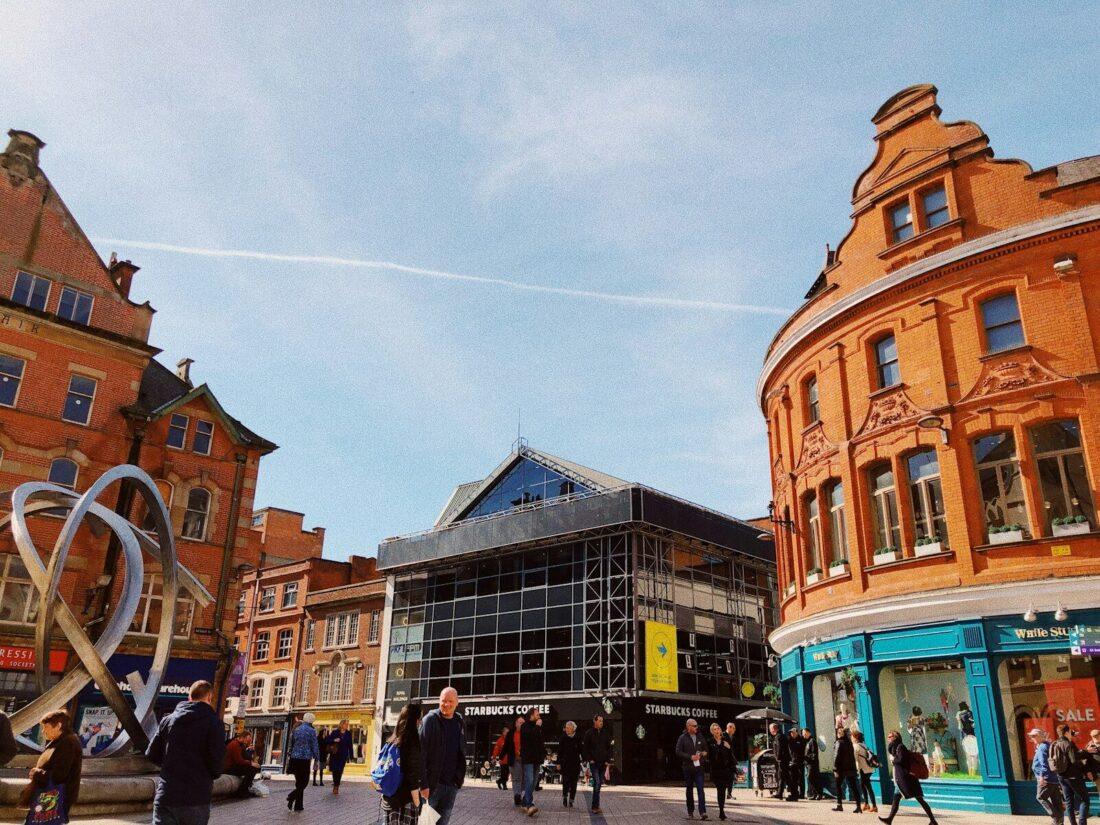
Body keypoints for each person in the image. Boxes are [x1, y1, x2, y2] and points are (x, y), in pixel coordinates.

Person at [146, 680, 225, 825]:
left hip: (167, 794)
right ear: (209, 697)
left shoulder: (167, 720)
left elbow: (151, 754)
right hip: (197, 797)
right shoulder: (214, 724)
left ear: (189, 697)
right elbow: (217, 766)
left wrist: (169, 766)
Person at [19, 710, 81, 823]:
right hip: (50, 795)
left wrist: (37, 773)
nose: (43, 731)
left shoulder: (67, 743)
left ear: (58, 726)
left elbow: (59, 775)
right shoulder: (60, 741)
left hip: (54, 796)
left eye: (46, 727)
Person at [419, 686, 466, 825]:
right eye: (443, 701)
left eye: (450, 701)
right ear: (439, 701)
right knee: (425, 824)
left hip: (451, 787)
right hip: (432, 787)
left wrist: (458, 780)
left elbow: (461, 751)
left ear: (457, 702)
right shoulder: (430, 720)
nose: (446, 704)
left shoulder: (459, 722)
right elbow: (420, 754)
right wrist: (423, 784)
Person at [878, 730, 937, 825]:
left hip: (907, 779)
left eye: (890, 737)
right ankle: (889, 819)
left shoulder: (900, 747)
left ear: (895, 737)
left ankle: (933, 820)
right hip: (901, 779)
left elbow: (902, 760)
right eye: (888, 737)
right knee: (896, 799)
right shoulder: (895, 748)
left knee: (920, 799)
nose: (888, 738)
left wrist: (894, 759)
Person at [381, 703, 423, 825]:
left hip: (389, 800)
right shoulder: (413, 742)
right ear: (414, 721)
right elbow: (412, 777)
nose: (420, 723)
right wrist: (417, 804)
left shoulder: (392, 739)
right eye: (419, 719)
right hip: (404, 802)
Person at [1050, 723, 1089, 825]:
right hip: (1073, 776)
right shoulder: (1068, 744)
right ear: (1067, 732)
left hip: (1061, 776)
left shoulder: (1055, 744)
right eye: (1070, 732)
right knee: (1085, 800)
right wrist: (1084, 764)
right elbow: (1074, 761)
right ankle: (1082, 823)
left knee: (1069, 802)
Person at [1029, 728, 1065, 825]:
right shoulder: (1047, 745)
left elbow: (1044, 764)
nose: (1032, 738)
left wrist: (1042, 777)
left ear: (1041, 736)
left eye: (1034, 736)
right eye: (1031, 736)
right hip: (1053, 778)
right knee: (1056, 800)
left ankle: (1056, 817)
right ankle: (1059, 821)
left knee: (1040, 797)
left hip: (1046, 779)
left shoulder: (1042, 747)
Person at [286, 712, 320, 812]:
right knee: (304, 782)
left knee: (299, 782)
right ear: (311, 721)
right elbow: (314, 745)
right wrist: (317, 758)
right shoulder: (311, 731)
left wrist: (291, 754)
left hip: (294, 758)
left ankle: (298, 805)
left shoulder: (296, 730)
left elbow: (291, 743)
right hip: (305, 759)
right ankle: (292, 796)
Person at [676, 718, 708, 820]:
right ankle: (690, 812)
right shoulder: (682, 738)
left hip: (699, 768)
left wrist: (704, 753)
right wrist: (690, 757)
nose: (696, 727)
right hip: (688, 768)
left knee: (700, 789)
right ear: (688, 726)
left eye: (697, 726)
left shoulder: (700, 736)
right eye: (694, 726)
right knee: (689, 790)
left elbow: (706, 749)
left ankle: (703, 812)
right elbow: (678, 752)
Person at [582, 713, 613, 815]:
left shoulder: (605, 733)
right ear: (594, 721)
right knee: (597, 782)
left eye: (602, 721)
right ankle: (595, 807)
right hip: (594, 763)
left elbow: (609, 748)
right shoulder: (589, 733)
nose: (601, 723)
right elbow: (585, 748)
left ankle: (596, 806)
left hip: (603, 763)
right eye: (600, 721)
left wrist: (608, 760)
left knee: (598, 784)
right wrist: (589, 759)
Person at [519, 706, 546, 817]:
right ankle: (530, 805)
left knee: (534, 782)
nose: (539, 716)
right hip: (528, 759)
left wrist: (543, 755)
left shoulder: (537, 728)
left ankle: (525, 801)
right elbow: (530, 738)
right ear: (531, 715)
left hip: (537, 759)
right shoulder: (525, 726)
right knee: (529, 780)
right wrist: (538, 726)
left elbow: (540, 742)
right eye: (537, 714)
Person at [707, 722, 734, 821]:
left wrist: (728, 747)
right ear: (712, 732)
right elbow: (709, 756)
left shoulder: (725, 740)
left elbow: (730, 754)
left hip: (725, 769)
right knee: (720, 789)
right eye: (714, 729)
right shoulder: (710, 741)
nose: (717, 730)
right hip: (715, 770)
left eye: (718, 728)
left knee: (722, 790)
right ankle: (721, 810)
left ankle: (721, 811)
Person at [224, 730, 261, 798]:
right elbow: (239, 760)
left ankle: (245, 789)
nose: (247, 742)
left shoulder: (241, 745)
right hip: (229, 768)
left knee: (253, 768)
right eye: (247, 740)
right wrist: (251, 763)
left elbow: (246, 757)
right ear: (243, 737)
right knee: (251, 770)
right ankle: (242, 791)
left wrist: (252, 760)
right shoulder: (234, 744)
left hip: (234, 766)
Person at [833, 727, 861, 813]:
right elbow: (852, 757)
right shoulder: (849, 743)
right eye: (838, 732)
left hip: (841, 769)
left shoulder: (838, 742)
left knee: (838, 786)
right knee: (854, 787)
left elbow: (836, 756)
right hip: (850, 769)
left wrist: (835, 768)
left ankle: (839, 805)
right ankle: (858, 806)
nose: (838, 733)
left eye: (840, 732)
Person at [324, 719, 354, 795]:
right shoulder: (335, 732)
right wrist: (334, 740)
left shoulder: (348, 733)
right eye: (346, 724)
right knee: (334, 770)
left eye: (348, 724)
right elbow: (327, 740)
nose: (347, 725)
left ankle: (336, 786)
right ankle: (335, 783)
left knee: (340, 770)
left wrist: (351, 756)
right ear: (341, 724)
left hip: (343, 755)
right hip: (334, 754)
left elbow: (350, 745)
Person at [557, 721, 582, 808]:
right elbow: (559, 752)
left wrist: (585, 759)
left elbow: (581, 750)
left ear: (573, 729)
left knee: (574, 783)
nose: (566, 729)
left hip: (575, 764)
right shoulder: (563, 738)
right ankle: (564, 797)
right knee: (565, 781)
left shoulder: (578, 737)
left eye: (568, 728)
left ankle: (571, 799)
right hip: (565, 764)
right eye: (566, 728)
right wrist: (558, 763)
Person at [852, 730, 878, 813]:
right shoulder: (864, 745)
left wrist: (856, 769)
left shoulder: (855, 746)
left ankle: (874, 806)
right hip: (869, 768)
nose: (851, 738)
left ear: (855, 737)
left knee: (868, 787)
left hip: (863, 769)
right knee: (863, 786)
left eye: (852, 736)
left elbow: (855, 759)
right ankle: (866, 804)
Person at [504, 716, 525, 806]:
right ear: (516, 723)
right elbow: (506, 746)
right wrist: (499, 756)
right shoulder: (511, 733)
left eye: (523, 723)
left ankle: (520, 795)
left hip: (524, 759)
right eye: (520, 722)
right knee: (516, 778)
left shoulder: (526, 733)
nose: (521, 724)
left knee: (523, 778)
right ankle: (517, 795)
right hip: (514, 759)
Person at [769, 722, 792, 801]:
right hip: (783, 759)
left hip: (782, 760)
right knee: (783, 777)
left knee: (783, 777)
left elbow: (779, 749)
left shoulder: (779, 736)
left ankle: (792, 793)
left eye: (770, 729)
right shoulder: (780, 736)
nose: (770, 731)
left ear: (773, 729)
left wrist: (778, 758)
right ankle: (781, 793)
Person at [803, 728, 824, 800]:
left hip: (812, 764)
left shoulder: (812, 741)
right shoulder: (807, 742)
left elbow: (814, 754)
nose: (804, 735)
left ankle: (819, 793)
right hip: (808, 763)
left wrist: (807, 758)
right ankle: (815, 794)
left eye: (805, 734)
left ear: (809, 733)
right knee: (812, 778)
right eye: (803, 734)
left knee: (811, 778)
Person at [787, 727, 805, 801]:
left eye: (793, 732)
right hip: (792, 762)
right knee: (793, 779)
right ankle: (795, 793)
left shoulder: (801, 740)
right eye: (791, 732)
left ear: (797, 732)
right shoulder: (790, 740)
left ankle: (802, 794)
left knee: (800, 779)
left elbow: (803, 751)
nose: (792, 734)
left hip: (800, 762)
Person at [491, 724, 510, 791]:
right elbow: (496, 750)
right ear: (503, 732)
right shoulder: (500, 740)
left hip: (510, 760)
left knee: (507, 774)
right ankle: (504, 785)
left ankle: (499, 781)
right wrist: (494, 757)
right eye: (507, 732)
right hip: (503, 760)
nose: (508, 733)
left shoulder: (510, 740)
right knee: (504, 773)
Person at [723, 723, 738, 801]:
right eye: (733, 728)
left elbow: (731, 749)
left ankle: (729, 794)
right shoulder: (723, 736)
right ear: (729, 728)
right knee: (725, 778)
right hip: (725, 761)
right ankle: (724, 794)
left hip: (731, 761)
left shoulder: (732, 737)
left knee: (731, 778)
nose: (734, 730)